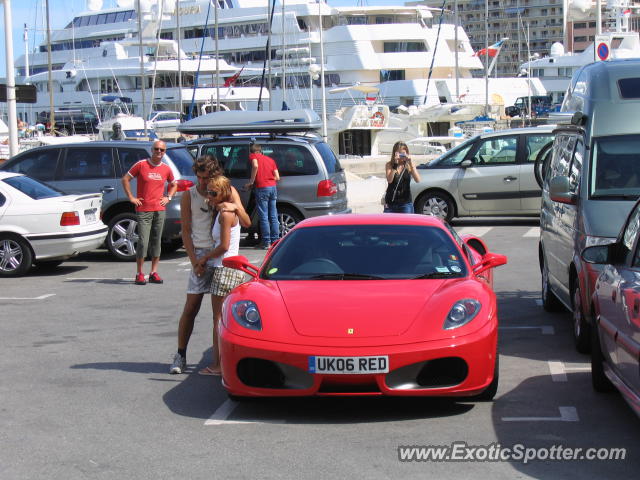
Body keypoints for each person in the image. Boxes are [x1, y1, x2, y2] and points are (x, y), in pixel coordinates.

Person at [169, 156, 250, 375]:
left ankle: (221, 362)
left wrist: (233, 206)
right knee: (191, 307)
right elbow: (186, 230)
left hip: (220, 257)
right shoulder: (190, 195)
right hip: (201, 255)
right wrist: (194, 261)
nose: (203, 182)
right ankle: (180, 354)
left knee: (220, 314)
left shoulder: (226, 190)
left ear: (215, 175)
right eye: (199, 177)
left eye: (207, 177)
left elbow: (245, 220)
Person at [197, 175, 245, 376]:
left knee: (218, 319)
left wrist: (204, 258)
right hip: (233, 269)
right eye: (209, 191)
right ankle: (226, 363)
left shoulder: (225, 214)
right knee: (227, 319)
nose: (209, 196)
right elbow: (248, 222)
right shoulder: (227, 210)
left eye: (213, 193)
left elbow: (224, 246)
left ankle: (218, 365)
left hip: (224, 269)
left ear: (223, 193)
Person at [122, 140, 177, 285]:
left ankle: (154, 272)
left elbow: (174, 184)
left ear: (164, 152)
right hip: (144, 209)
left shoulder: (166, 168)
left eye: (162, 150)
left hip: (159, 209)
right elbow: (126, 179)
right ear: (152, 150)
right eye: (156, 149)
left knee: (156, 241)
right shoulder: (141, 165)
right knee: (142, 242)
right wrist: (131, 197)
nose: (159, 152)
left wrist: (168, 197)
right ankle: (140, 273)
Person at [244, 143, 280, 249]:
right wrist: (269, 179)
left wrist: (251, 182)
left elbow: (255, 165)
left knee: (264, 216)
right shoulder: (271, 160)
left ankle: (266, 242)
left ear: (253, 152)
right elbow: (277, 177)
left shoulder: (253, 156)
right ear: (261, 151)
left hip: (262, 188)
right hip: (273, 188)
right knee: (273, 216)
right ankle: (275, 241)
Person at [383, 141, 421, 213]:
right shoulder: (389, 165)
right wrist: (395, 164)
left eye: (403, 154)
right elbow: (389, 180)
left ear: (407, 153)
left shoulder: (409, 165)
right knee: (389, 224)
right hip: (391, 202)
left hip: (405, 202)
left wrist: (410, 163)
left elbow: (418, 180)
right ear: (395, 154)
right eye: (399, 154)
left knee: (406, 224)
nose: (401, 156)